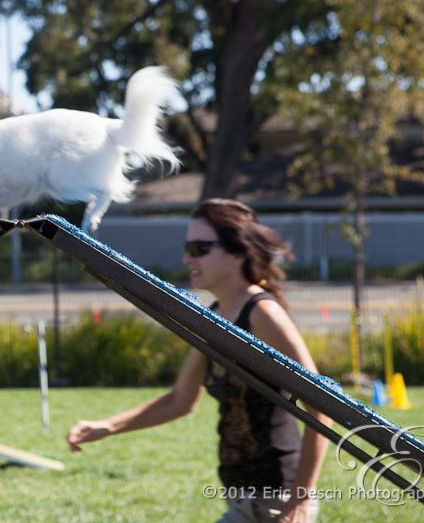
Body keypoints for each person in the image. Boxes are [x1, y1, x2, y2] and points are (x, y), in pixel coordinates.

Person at [67, 198, 330, 523]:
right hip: (242, 498)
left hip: (278, 501)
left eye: (199, 248)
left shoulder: (263, 314)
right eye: (186, 247)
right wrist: (106, 426)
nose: (186, 257)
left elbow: (323, 406)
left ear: (237, 253)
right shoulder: (213, 318)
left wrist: (300, 501)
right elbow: (179, 400)